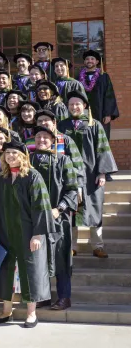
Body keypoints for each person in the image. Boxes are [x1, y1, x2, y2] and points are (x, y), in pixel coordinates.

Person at [0, 141, 56, 328]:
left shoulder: (32, 176)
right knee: (4, 270)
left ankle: (31, 313)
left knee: (31, 271)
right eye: (7, 153)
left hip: (28, 233)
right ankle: (6, 311)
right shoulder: (1, 177)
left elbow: (42, 206)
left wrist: (37, 234)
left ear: (23, 156)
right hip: (4, 232)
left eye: (15, 153)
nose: (10, 156)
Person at [57, 91, 118, 258]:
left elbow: (102, 148)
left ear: (84, 106)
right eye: (71, 104)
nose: (74, 107)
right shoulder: (62, 126)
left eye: (77, 104)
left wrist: (103, 172)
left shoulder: (94, 125)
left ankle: (97, 245)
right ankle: (72, 246)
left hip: (92, 175)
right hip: (69, 175)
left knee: (95, 208)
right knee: (71, 208)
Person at [30, 126, 78, 311]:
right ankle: (43, 296)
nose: (41, 140)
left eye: (45, 137)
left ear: (52, 140)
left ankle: (64, 297)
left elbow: (72, 189)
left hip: (58, 218)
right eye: (38, 136)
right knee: (40, 258)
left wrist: (60, 208)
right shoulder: (29, 161)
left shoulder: (63, 160)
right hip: (35, 220)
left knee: (60, 257)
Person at [80, 50, 119, 140]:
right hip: (83, 114)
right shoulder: (79, 77)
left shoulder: (104, 76)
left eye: (92, 59)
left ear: (97, 61)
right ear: (84, 62)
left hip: (101, 114)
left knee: (101, 140)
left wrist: (108, 114)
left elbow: (109, 95)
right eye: (87, 59)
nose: (89, 60)